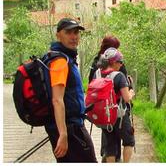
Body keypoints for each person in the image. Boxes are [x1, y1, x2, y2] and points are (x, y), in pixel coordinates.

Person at [45, 18, 97, 162]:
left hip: (72, 125)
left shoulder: (66, 58)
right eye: (68, 32)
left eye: (76, 32)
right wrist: (63, 134)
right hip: (70, 128)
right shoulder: (60, 62)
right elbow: (57, 99)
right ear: (58, 35)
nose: (74, 37)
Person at [88, 35, 130, 162]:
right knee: (128, 139)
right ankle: (116, 159)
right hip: (118, 108)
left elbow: (91, 83)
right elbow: (125, 89)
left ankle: (108, 156)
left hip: (102, 110)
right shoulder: (117, 64)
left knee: (109, 138)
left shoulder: (97, 64)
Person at [97, 47, 135, 163]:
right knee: (129, 141)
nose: (121, 64)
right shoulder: (119, 76)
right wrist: (132, 93)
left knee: (110, 145)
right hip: (119, 115)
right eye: (120, 62)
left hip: (104, 116)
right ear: (113, 62)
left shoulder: (97, 74)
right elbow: (126, 98)